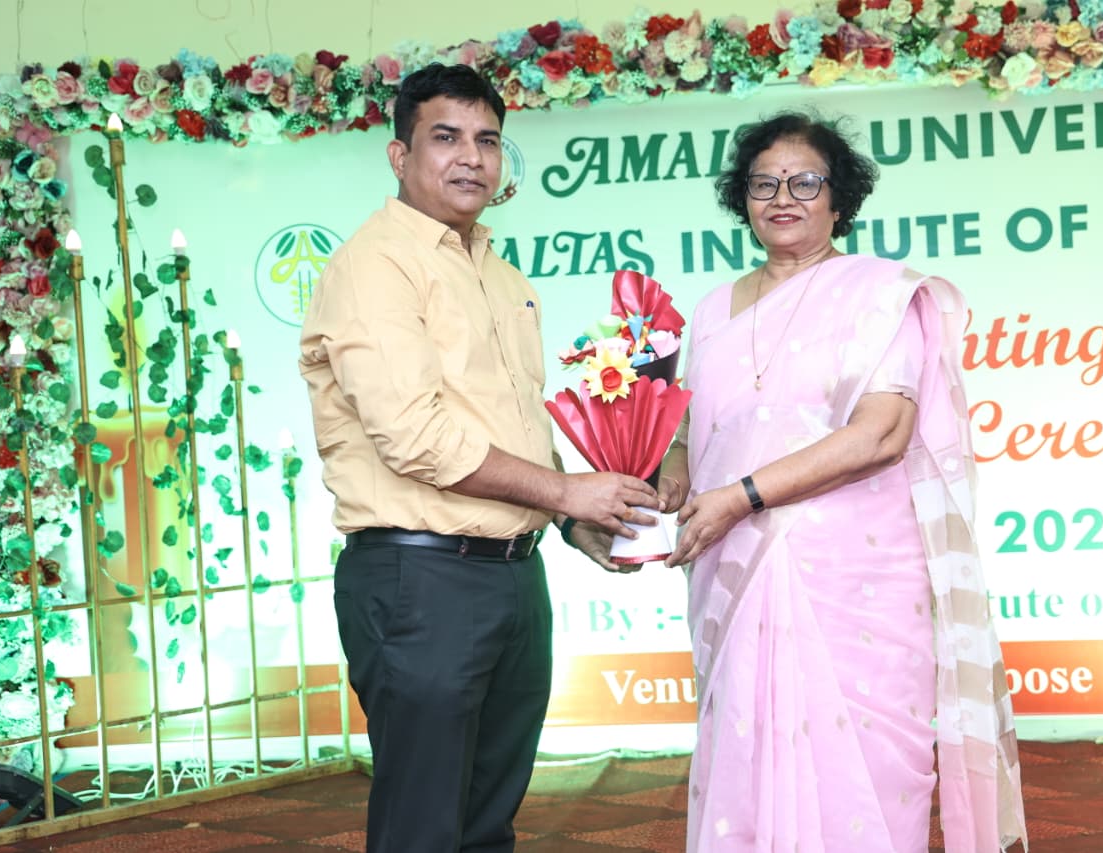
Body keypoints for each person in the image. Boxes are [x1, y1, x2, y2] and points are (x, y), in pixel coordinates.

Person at [299, 63, 658, 853]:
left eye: (488, 140)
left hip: (513, 577)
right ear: (400, 156)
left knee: (487, 823)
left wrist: (570, 520)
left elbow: (514, 421)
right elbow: (415, 436)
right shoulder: (375, 265)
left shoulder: (500, 274)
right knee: (424, 828)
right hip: (421, 580)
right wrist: (566, 490)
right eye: (446, 137)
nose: (471, 157)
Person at [657, 113, 1028, 852]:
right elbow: (690, 432)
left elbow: (881, 433)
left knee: (865, 771)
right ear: (741, 196)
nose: (782, 198)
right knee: (744, 759)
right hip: (733, 565)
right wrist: (664, 482)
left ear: (839, 198)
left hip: (856, 576)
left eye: (805, 182)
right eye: (764, 183)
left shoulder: (881, 294)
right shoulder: (710, 308)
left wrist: (743, 496)